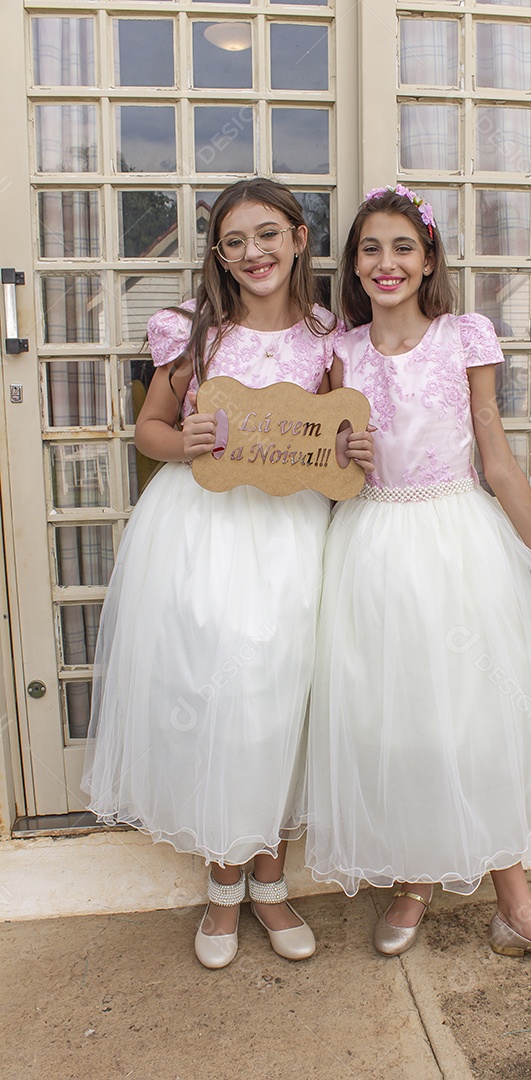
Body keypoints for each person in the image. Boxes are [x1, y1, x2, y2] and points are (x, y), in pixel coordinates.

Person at [306, 185, 531, 971]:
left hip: (457, 543)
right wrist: (340, 459)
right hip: (374, 549)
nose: (385, 263)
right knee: (403, 724)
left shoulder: (464, 337)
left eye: (402, 248)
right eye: (369, 249)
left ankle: (517, 910)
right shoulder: (340, 354)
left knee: (478, 719)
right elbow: (329, 473)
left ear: (428, 260)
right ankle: (417, 881)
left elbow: (496, 459)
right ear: (353, 266)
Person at [82, 178, 373, 970]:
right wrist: (191, 440)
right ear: (219, 254)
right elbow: (149, 430)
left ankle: (271, 880)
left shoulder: (329, 335)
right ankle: (222, 882)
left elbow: (339, 433)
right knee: (217, 690)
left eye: (268, 234)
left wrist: (347, 451)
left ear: (299, 237)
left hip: (292, 533)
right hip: (205, 531)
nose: (255, 253)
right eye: (235, 241)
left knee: (283, 693)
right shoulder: (197, 334)